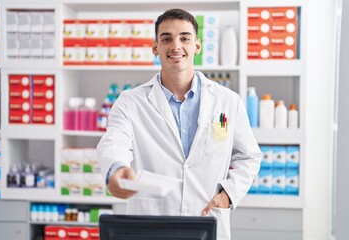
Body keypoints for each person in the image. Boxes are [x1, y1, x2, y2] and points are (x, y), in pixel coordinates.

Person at [97, 8, 262, 240]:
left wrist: (229, 194)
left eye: (184, 38)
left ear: (197, 46)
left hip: (206, 221)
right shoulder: (130, 101)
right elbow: (114, 142)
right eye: (166, 39)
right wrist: (116, 170)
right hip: (151, 226)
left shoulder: (227, 101)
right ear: (155, 47)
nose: (175, 45)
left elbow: (249, 157)